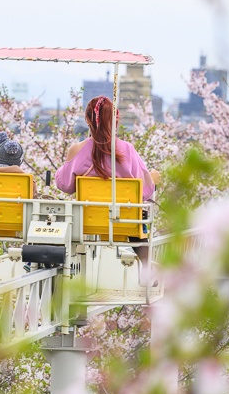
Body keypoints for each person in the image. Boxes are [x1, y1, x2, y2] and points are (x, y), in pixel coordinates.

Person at [56, 96, 160, 284]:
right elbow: (144, 191)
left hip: (86, 223)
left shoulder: (77, 150)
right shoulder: (127, 150)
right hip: (122, 222)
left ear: (88, 120)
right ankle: (146, 268)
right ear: (116, 121)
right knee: (136, 215)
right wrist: (152, 178)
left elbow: (65, 186)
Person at [0, 131, 29, 271]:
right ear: (19, 159)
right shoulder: (26, 178)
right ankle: (30, 256)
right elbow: (33, 196)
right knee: (34, 214)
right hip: (18, 220)